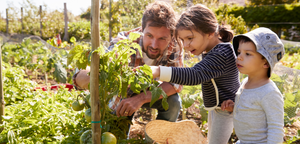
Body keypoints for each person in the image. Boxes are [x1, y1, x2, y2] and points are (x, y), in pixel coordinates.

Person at [73, 1, 183, 123]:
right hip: (124, 93)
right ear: (142, 29)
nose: (154, 45)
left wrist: (140, 98)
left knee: (173, 102)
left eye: (162, 38)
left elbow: (176, 82)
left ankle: (158, 139)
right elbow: (101, 77)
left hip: (150, 90)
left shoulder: (175, 45)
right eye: (149, 36)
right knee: (118, 131)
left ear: (171, 36)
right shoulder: (124, 44)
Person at [149, 4, 240, 144]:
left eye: (190, 38)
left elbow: (194, 75)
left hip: (225, 110)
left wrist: (158, 71)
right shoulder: (213, 50)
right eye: (183, 40)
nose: (185, 45)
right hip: (218, 108)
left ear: (210, 33)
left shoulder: (222, 53)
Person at [221, 27, 285, 144]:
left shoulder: (269, 93)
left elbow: (276, 129)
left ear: (265, 62)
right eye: (239, 52)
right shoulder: (245, 82)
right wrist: (235, 107)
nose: (239, 57)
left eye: (248, 54)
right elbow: (253, 110)